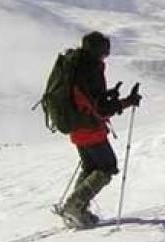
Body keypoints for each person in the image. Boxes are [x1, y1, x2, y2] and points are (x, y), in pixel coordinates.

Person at [60, 31, 142, 228]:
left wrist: (108, 95)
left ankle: (76, 209)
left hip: (77, 127)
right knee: (107, 167)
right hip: (90, 128)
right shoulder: (90, 70)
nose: (106, 56)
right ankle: (74, 206)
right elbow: (100, 109)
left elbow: (91, 99)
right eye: (105, 52)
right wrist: (126, 102)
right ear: (96, 50)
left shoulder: (77, 66)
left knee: (90, 168)